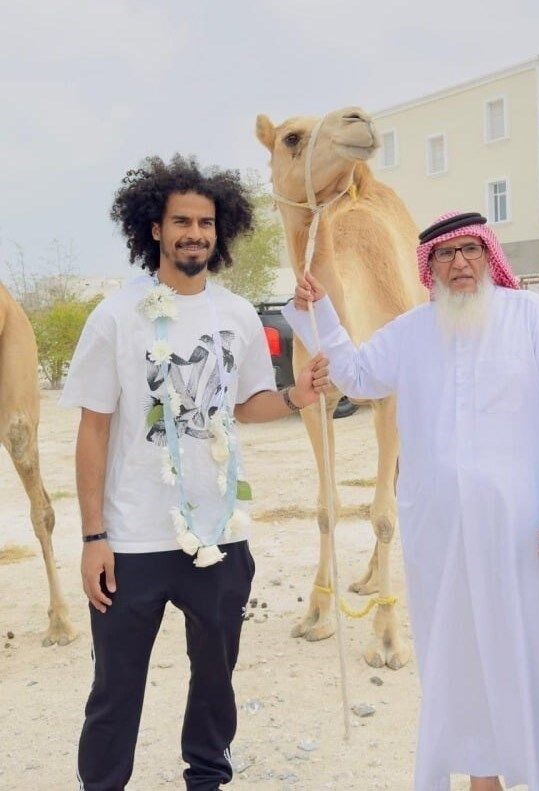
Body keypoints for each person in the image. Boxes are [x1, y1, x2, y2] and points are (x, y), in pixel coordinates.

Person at [284, 210, 539, 791]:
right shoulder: (412, 330)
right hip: (441, 531)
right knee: (460, 652)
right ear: (430, 267)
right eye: (446, 254)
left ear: (489, 255)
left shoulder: (531, 316)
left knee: (531, 649)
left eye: (470, 250)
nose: (459, 263)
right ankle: (482, 777)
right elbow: (356, 376)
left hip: (526, 528)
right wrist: (318, 310)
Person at [61, 155, 329, 791]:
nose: (194, 234)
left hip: (220, 534)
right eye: (181, 221)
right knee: (115, 688)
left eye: (205, 223)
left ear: (219, 230)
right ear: (155, 228)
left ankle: (207, 779)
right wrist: (94, 536)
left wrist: (296, 397)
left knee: (215, 681)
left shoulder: (235, 314)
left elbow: (246, 404)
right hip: (132, 539)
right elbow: (93, 429)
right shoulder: (116, 315)